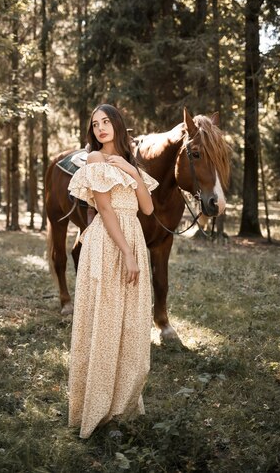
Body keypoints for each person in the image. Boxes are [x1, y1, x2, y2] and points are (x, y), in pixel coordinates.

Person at [67, 104, 159, 439]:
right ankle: (97, 410)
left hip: (132, 236)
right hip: (108, 244)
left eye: (106, 122)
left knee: (130, 323)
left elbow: (147, 208)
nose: (101, 128)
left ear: (118, 125)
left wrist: (131, 171)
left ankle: (123, 405)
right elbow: (104, 208)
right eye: (95, 124)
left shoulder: (128, 163)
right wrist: (128, 255)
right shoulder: (95, 161)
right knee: (105, 322)